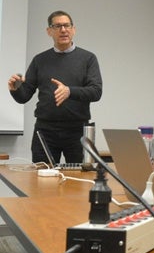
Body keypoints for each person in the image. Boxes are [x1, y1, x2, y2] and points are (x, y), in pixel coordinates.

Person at [7, 10, 103, 164]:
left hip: (77, 130)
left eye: (66, 25)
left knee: (80, 180)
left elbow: (96, 91)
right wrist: (15, 89)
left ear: (73, 29)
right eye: (57, 26)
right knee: (42, 179)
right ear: (49, 31)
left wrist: (69, 91)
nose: (63, 30)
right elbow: (24, 96)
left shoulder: (88, 58)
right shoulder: (40, 60)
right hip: (45, 130)